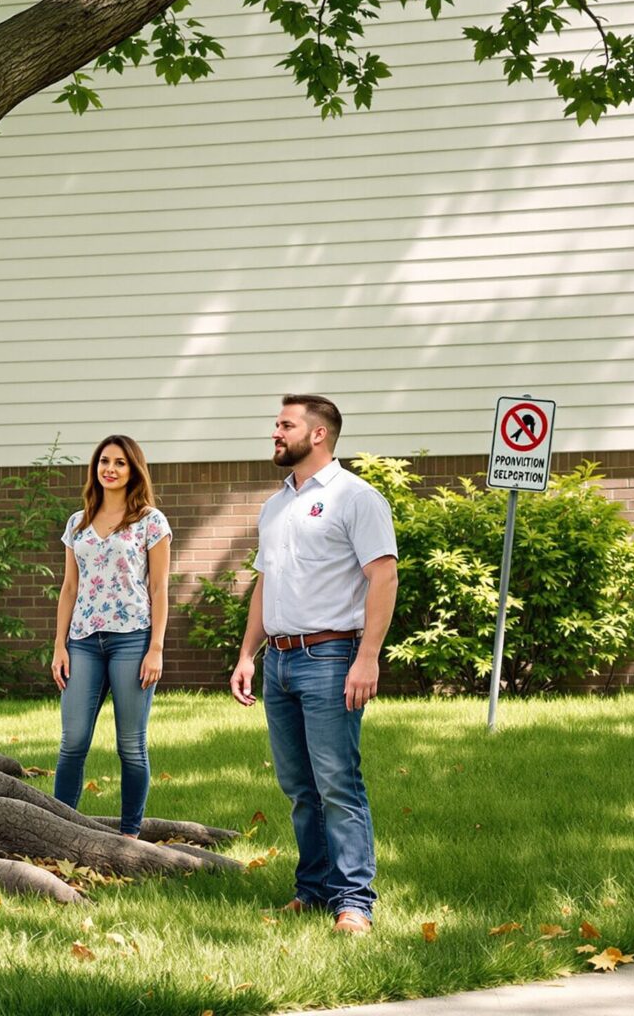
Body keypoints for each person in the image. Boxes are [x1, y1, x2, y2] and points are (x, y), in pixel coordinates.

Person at [230, 394, 398, 936]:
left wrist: (367, 657)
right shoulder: (276, 503)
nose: (275, 433)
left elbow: (383, 577)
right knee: (300, 786)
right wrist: (246, 654)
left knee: (337, 783)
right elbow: (265, 583)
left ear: (318, 434)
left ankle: (355, 903)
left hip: (331, 657)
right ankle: (314, 890)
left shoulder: (356, 498)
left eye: (285, 425)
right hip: (278, 661)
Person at [50, 434, 171, 838]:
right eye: (105, 461)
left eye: (120, 463)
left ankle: (130, 834)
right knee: (73, 741)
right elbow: (69, 588)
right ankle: (61, 828)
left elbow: (159, 589)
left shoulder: (151, 521)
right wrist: (59, 646)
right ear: (95, 468)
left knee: (131, 746)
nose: (111, 469)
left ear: (133, 470)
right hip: (83, 641)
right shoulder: (77, 522)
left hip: (132, 640)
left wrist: (155, 648)